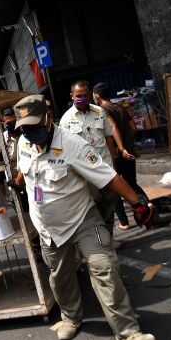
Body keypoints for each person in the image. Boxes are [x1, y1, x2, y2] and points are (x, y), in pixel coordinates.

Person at [13, 94, 156, 340]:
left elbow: (108, 177)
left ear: (48, 118)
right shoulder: (22, 144)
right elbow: (27, 170)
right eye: (25, 129)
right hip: (48, 229)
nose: (30, 134)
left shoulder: (72, 143)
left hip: (81, 219)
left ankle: (128, 333)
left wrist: (137, 202)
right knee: (60, 277)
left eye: (35, 127)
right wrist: (21, 178)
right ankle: (70, 317)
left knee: (104, 266)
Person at [60, 80, 119, 231]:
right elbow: (64, 150)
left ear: (90, 94)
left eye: (86, 95)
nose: (82, 98)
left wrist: (112, 163)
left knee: (109, 202)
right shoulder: (66, 120)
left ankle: (109, 236)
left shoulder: (100, 112)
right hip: (84, 173)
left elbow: (108, 138)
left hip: (105, 167)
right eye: (78, 95)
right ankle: (100, 238)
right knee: (93, 205)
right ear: (72, 96)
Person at [92, 83, 147, 231]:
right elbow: (134, 128)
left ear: (97, 96)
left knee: (115, 188)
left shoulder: (102, 110)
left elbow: (112, 126)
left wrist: (119, 147)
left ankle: (124, 222)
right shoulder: (121, 108)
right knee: (132, 183)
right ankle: (147, 207)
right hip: (129, 152)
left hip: (115, 155)